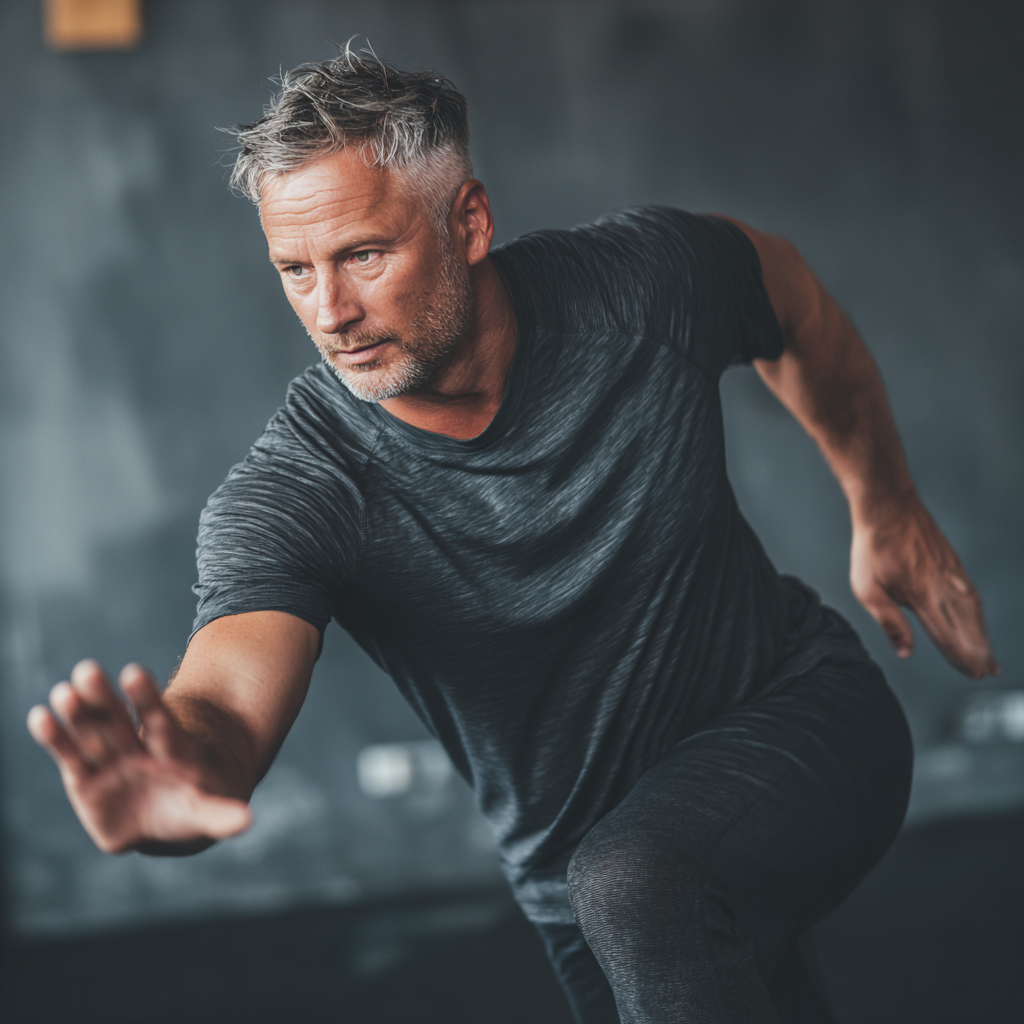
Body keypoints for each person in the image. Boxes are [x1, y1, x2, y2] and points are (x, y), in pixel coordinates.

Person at [27, 50, 998, 1024]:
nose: (330, 312)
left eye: (364, 254)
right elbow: (230, 686)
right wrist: (190, 760)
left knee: (645, 882)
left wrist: (886, 504)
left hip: (799, 719)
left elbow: (792, 302)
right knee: (645, 902)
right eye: (295, 269)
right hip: (583, 889)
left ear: (470, 222)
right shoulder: (300, 486)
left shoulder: (639, 286)